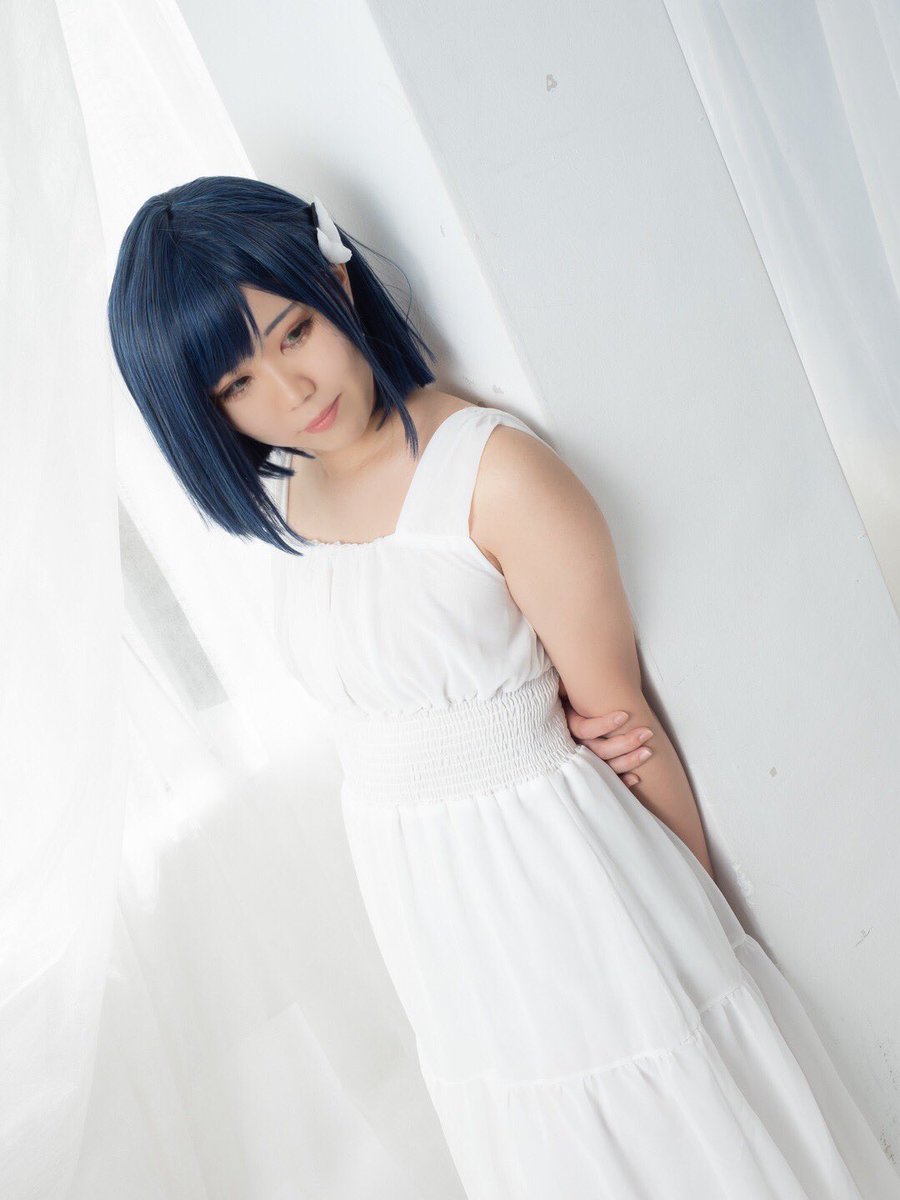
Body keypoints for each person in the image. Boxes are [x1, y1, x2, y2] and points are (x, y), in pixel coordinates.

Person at [107, 176, 900, 1199]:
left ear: (337, 282)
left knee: (663, 1124)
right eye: (237, 384)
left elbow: (624, 725)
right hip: (431, 904)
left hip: (558, 874)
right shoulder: (297, 496)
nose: (291, 392)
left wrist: (692, 935)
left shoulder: (493, 473)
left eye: (293, 331)